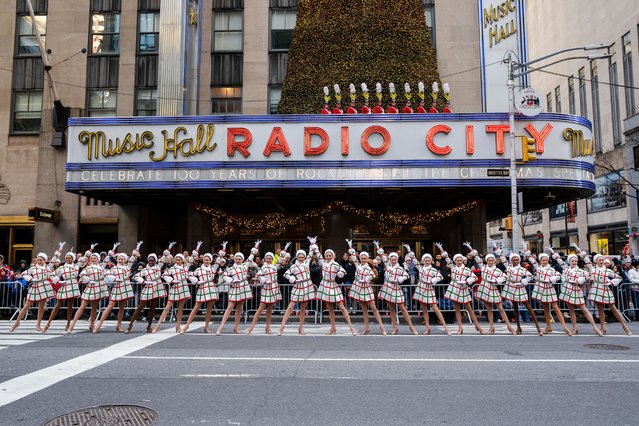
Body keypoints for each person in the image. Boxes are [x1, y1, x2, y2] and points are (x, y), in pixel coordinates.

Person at [217, 241, 260, 335]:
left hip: (244, 287)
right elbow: (224, 276)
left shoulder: (245, 265)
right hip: (235, 287)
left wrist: (255, 246)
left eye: (240, 258)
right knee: (230, 307)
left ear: (242, 259)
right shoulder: (231, 268)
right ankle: (220, 327)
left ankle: (236, 328)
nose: (238, 260)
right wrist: (231, 281)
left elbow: (251, 256)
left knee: (239, 308)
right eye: (236, 258)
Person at [94, 248, 140, 334]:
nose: (120, 260)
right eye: (119, 258)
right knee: (110, 306)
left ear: (125, 260)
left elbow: (133, 258)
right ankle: (99, 324)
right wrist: (114, 278)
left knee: (122, 307)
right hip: (117, 287)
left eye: (122, 259)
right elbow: (106, 274)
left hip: (125, 287)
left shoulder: (127, 267)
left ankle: (119, 325)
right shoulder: (114, 268)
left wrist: (137, 249)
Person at [314, 242, 356, 336]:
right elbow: (318, 255)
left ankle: (351, 327)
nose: (328, 257)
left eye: (330, 255)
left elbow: (342, 270)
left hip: (332, 285)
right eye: (327, 255)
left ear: (333, 256)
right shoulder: (323, 263)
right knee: (330, 308)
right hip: (325, 285)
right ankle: (333, 327)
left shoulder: (335, 264)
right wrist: (314, 247)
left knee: (341, 306)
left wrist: (340, 273)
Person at [9, 251, 55, 332]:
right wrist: (30, 279)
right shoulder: (33, 268)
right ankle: (16, 323)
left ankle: (38, 324)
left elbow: (54, 259)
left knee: (41, 307)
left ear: (44, 260)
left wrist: (59, 250)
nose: (39, 261)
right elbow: (23, 274)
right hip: (35, 286)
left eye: (41, 260)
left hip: (45, 287)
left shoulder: (48, 267)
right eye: (38, 260)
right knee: (26, 305)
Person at [587, 254, 632, 335]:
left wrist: (610, 282)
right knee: (600, 310)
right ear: (595, 261)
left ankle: (624, 326)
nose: (601, 261)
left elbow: (619, 278)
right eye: (599, 260)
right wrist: (581, 252)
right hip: (596, 289)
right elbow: (586, 260)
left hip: (605, 289)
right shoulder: (593, 269)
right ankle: (603, 327)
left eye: (602, 260)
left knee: (613, 308)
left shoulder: (608, 270)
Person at [279, 242, 317, 336]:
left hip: (307, 286)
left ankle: (301, 327)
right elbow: (286, 274)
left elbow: (311, 252)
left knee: (303, 307)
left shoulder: (307, 262)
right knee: (290, 306)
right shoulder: (294, 266)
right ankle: (282, 327)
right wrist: (291, 278)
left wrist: (313, 244)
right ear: (297, 257)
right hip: (298, 286)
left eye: (302, 257)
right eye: (299, 257)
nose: (301, 258)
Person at [126, 249, 168, 334]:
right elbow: (135, 276)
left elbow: (163, 258)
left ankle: (149, 326)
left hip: (157, 288)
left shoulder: (158, 267)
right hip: (148, 288)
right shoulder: (145, 270)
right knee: (139, 307)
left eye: (152, 260)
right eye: (149, 260)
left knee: (152, 309)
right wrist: (142, 281)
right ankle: (130, 325)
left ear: (155, 261)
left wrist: (168, 250)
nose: (151, 262)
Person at [560, 254, 602, 336]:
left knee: (584, 308)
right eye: (572, 261)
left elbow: (589, 277)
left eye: (575, 261)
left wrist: (582, 279)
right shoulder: (566, 269)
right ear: (569, 262)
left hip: (576, 290)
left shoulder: (581, 271)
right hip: (567, 290)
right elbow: (560, 261)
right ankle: (575, 328)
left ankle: (595, 327)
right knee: (571, 310)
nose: (574, 262)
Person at [43, 246, 82, 333]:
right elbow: (51, 275)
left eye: (70, 258)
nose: (68, 259)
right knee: (57, 305)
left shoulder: (76, 267)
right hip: (64, 286)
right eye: (67, 258)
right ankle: (48, 324)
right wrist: (58, 281)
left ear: (73, 259)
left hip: (73, 287)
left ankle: (68, 324)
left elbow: (84, 259)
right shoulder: (61, 268)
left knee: (70, 306)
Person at [67, 250, 108, 333]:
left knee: (94, 307)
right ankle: (72, 325)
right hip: (90, 287)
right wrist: (86, 279)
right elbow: (81, 275)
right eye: (92, 258)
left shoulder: (101, 267)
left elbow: (106, 272)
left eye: (95, 258)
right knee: (82, 306)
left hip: (98, 287)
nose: (93, 259)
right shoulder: (88, 267)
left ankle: (92, 324)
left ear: (98, 259)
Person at [444, 252, 485, 335]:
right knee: (457, 309)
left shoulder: (466, 269)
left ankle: (478, 326)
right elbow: (447, 259)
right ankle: (460, 327)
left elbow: (474, 277)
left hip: (463, 288)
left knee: (469, 308)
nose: (459, 262)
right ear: (455, 261)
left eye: (460, 260)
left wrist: (466, 281)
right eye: (457, 260)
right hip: (454, 288)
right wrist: (443, 253)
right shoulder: (453, 267)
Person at [153, 252, 194, 333]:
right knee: (167, 307)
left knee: (180, 308)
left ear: (182, 260)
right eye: (176, 260)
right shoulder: (172, 268)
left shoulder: (185, 268)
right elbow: (164, 275)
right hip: (175, 287)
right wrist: (171, 280)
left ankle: (178, 326)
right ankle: (157, 326)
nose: (178, 261)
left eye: (179, 260)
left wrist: (194, 252)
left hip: (184, 287)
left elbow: (191, 260)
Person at [502, 253, 542, 335]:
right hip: (512, 288)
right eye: (514, 260)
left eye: (517, 260)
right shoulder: (509, 267)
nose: (516, 261)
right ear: (511, 261)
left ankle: (538, 327)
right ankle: (518, 327)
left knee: (528, 307)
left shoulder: (522, 269)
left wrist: (524, 281)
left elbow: (530, 276)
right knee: (515, 308)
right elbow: (503, 259)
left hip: (520, 288)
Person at [532, 253, 572, 335]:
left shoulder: (551, 269)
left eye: (546, 260)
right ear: (540, 261)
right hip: (540, 288)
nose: (545, 261)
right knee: (545, 309)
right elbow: (531, 260)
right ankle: (548, 327)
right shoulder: (538, 268)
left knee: (556, 308)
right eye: (543, 260)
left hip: (549, 289)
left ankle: (565, 327)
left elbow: (559, 275)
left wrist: (553, 278)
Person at [378, 250, 417, 335]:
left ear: (397, 259)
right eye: (392, 259)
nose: (393, 261)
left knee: (402, 308)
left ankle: (411, 327)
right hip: (387, 288)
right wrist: (379, 249)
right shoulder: (388, 265)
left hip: (396, 288)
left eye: (395, 259)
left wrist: (399, 279)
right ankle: (395, 328)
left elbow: (406, 275)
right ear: (390, 260)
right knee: (391, 309)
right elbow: (383, 257)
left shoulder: (399, 268)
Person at [182, 252, 222, 334]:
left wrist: (221, 254)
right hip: (202, 288)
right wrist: (196, 281)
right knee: (196, 307)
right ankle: (187, 325)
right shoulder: (199, 269)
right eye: (204, 260)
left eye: (208, 260)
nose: (206, 261)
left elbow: (218, 261)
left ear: (210, 261)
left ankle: (206, 327)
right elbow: (188, 274)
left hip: (211, 288)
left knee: (209, 309)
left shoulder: (213, 268)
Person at [350, 245, 386, 335]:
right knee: (364, 309)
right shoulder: (358, 266)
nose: (363, 259)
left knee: (373, 307)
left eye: (365, 258)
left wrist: (367, 278)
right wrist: (350, 246)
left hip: (367, 288)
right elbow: (354, 257)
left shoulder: (368, 268)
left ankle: (382, 327)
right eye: (362, 258)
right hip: (359, 288)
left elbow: (374, 276)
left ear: (367, 259)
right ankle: (366, 327)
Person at [476, 254, 515, 334]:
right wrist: (473, 251)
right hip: (484, 289)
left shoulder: (497, 270)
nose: (490, 262)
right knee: (488, 309)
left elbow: (505, 277)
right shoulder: (483, 267)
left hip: (493, 289)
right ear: (486, 261)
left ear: (494, 261)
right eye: (489, 260)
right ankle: (491, 327)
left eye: (492, 260)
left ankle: (509, 327)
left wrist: (497, 280)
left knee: (500, 308)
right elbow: (477, 259)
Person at [246, 251, 283, 335]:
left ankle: (268, 327)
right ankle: (251, 327)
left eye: (270, 258)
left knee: (270, 309)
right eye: (267, 258)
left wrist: (283, 251)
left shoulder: (274, 266)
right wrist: (264, 280)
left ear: (272, 259)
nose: (269, 260)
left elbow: (280, 259)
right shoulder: (263, 267)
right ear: (265, 259)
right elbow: (258, 275)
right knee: (260, 309)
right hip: (266, 288)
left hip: (274, 288)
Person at [413, 253, 450, 335]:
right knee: (424, 309)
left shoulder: (433, 269)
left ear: (431, 261)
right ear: (423, 261)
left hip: (429, 288)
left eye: (429, 260)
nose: (427, 262)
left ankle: (446, 327)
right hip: (421, 288)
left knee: (435, 308)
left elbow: (440, 277)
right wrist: (409, 252)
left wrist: (432, 281)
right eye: (426, 260)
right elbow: (414, 260)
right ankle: (427, 328)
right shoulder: (421, 268)